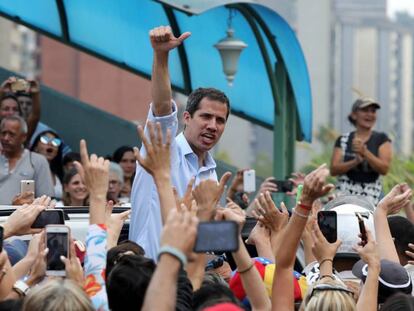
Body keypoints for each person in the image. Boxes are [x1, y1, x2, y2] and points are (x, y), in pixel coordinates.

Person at [129, 25, 231, 259]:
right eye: (205, 116)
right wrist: (161, 55)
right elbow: (162, 107)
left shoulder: (212, 173)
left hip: (189, 284)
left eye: (220, 120)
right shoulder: (164, 149)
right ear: (186, 117)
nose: (213, 126)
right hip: (148, 277)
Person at [330, 97, 392, 205]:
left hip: (372, 197)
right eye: (365, 110)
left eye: (373, 111)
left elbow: (384, 169)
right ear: (354, 115)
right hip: (345, 197)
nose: (370, 114)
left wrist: (365, 153)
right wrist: (355, 162)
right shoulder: (343, 139)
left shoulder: (381, 139)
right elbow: (334, 170)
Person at [0, 116, 54, 204]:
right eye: (3, 133)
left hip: (26, 216)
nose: (6, 138)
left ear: (23, 137)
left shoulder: (38, 161)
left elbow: (46, 199)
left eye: (11, 134)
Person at [31, 130, 64, 199]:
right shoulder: (28, 170)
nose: (50, 144)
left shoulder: (60, 174)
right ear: (36, 147)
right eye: (45, 140)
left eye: (55, 142)